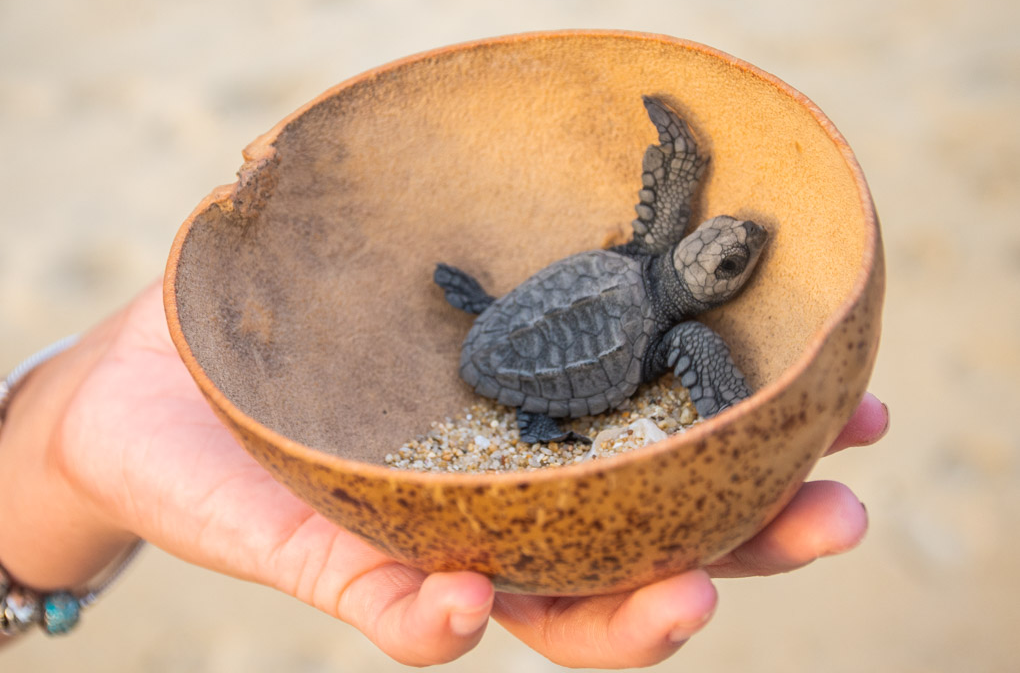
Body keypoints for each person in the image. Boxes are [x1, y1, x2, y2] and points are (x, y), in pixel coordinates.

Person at [0, 281, 888, 667]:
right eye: (728, 267)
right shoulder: (688, 332)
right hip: (567, 365)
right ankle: (539, 417)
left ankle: (496, 331)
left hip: (526, 313)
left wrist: (56, 457)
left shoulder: (645, 261)